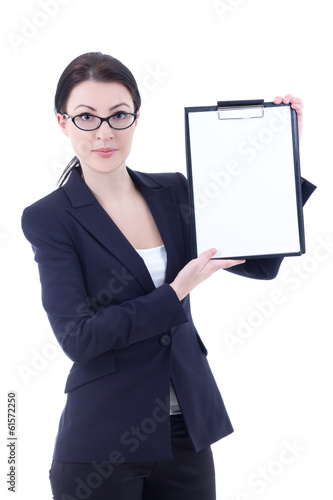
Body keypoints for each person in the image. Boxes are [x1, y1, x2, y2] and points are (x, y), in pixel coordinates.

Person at [21, 52, 316, 500]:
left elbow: (259, 262)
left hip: (185, 436)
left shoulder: (172, 191)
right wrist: (178, 289)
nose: (105, 132)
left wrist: (278, 151)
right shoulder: (50, 218)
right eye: (86, 117)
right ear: (63, 123)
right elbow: (79, 338)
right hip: (101, 444)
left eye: (119, 115)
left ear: (136, 118)